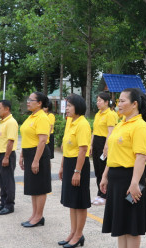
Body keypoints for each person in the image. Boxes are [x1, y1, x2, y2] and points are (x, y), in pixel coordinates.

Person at [100, 88, 146, 248]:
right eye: (119, 101)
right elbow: (112, 153)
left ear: (134, 104)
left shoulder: (140, 126)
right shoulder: (121, 123)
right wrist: (105, 175)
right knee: (120, 224)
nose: (119, 104)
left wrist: (135, 183)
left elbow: (141, 157)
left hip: (131, 179)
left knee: (132, 226)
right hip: (116, 179)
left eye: (123, 101)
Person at [58, 94, 91, 248]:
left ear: (78, 107)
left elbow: (83, 150)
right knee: (72, 201)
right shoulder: (70, 122)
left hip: (79, 165)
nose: (67, 109)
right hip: (70, 163)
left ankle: (79, 234)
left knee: (80, 202)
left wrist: (77, 171)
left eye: (70, 105)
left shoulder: (83, 124)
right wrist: (63, 166)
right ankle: (73, 232)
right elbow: (66, 148)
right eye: (67, 105)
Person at [19, 92, 52, 227]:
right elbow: (27, 138)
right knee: (33, 187)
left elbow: (42, 140)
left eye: (31, 100)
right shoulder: (31, 117)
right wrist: (22, 155)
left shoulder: (42, 118)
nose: (28, 102)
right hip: (29, 153)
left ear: (39, 103)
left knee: (40, 187)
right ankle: (34, 214)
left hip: (38, 154)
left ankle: (39, 216)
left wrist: (36, 160)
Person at [0, 100, 19, 215]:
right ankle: (3, 202)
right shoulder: (3, 122)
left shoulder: (11, 122)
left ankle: (9, 205)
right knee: (1, 181)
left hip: (6, 155)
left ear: (7, 109)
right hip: (0, 155)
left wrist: (6, 157)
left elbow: (10, 142)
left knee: (8, 181)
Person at [90, 92, 116, 206]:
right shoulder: (98, 114)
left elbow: (110, 132)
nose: (98, 103)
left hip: (104, 143)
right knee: (97, 170)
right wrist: (91, 145)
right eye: (97, 100)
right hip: (96, 142)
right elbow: (94, 132)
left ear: (107, 102)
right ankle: (100, 193)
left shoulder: (110, 114)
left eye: (100, 100)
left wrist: (106, 146)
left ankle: (106, 195)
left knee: (104, 169)